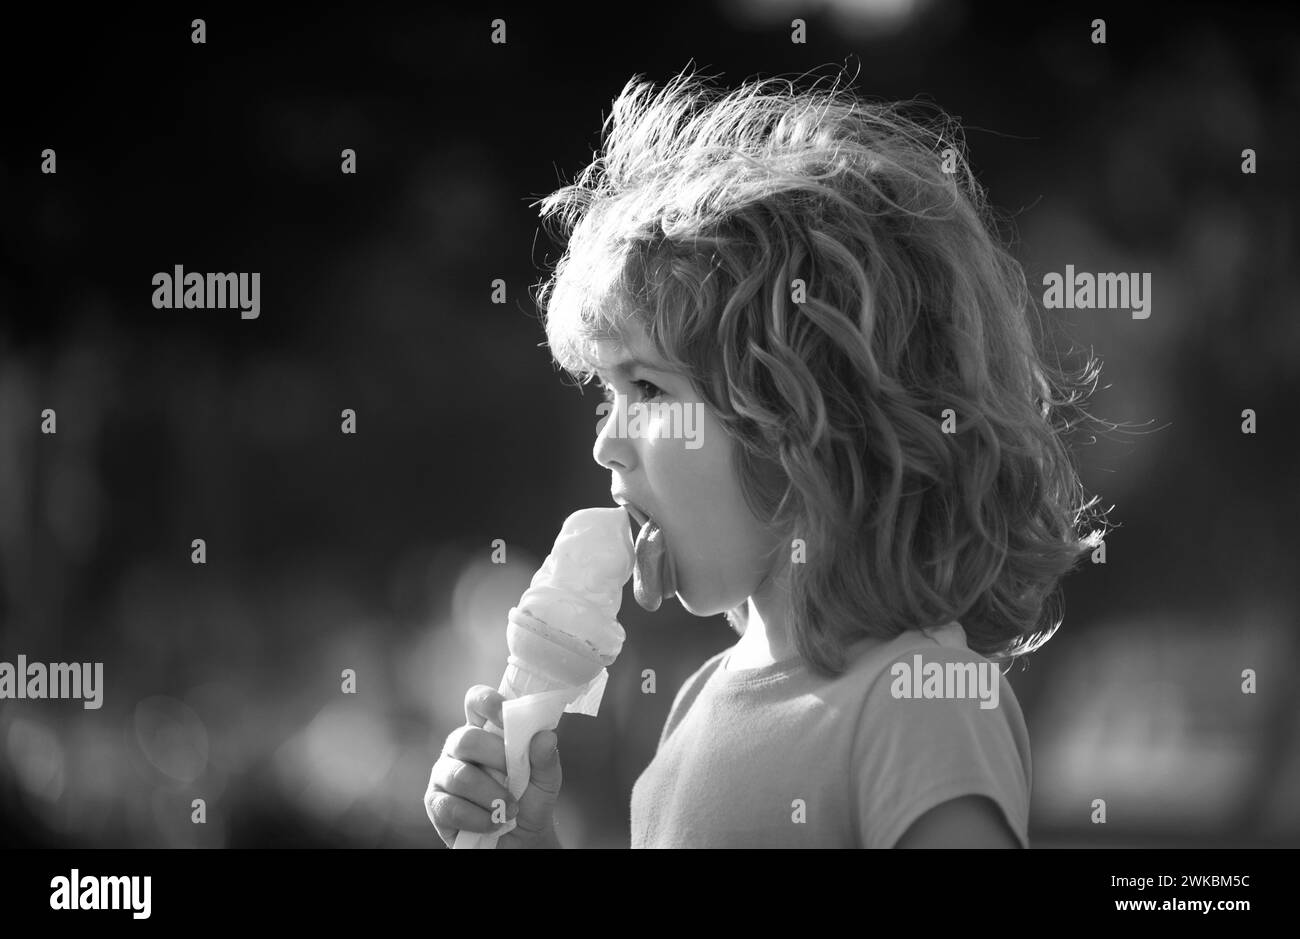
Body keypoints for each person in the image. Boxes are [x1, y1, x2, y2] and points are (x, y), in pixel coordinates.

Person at [425, 66, 1110, 848]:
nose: (604, 440)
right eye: (603, 392)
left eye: (646, 387)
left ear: (799, 421)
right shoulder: (696, 702)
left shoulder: (919, 701)